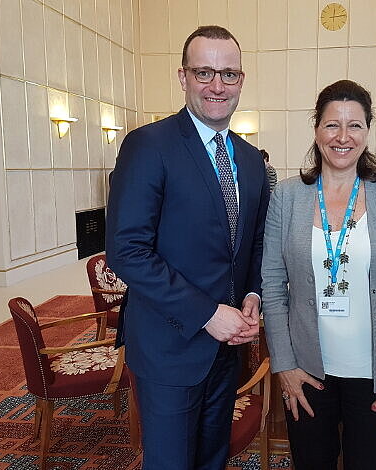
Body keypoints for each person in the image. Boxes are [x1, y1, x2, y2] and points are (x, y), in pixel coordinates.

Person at [105, 25, 270, 470]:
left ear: (242, 80)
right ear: (182, 78)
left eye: (229, 74)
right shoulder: (148, 146)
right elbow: (126, 251)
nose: (217, 85)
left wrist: (253, 296)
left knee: (213, 457)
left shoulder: (252, 160)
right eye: (204, 73)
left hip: (227, 346)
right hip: (169, 346)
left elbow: (254, 241)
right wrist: (208, 314)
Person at [261, 80, 376, 470]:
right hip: (307, 371)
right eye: (332, 124)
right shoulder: (286, 197)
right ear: (316, 129)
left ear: (368, 131)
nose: (343, 137)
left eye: (355, 125)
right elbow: (272, 286)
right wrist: (284, 365)